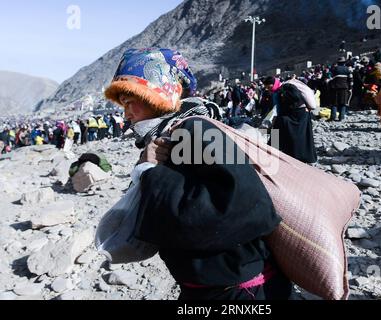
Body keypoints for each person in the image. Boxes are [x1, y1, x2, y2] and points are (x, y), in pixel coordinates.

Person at [104, 48, 294, 301]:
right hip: (204, 289)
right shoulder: (167, 138)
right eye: (123, 104)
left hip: (243, 292)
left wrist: (150, 173)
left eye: (131, 102)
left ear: (156, 95)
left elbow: (242, 205)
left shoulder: (196, 129)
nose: (125, 113)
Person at [271, 80, 318, 163]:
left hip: (289, 156)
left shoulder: (283, 118)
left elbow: (274, 140)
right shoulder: (305, 113)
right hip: (302, 113)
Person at [329, 57, 353, 121]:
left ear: (338, 62)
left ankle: (333, 117)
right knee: (343, 103)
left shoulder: (334, 69)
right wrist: (350, 88)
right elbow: (351, 80)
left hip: (335, 88)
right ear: (344, 63)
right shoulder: (348, 70)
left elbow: (330, 79)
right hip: (344, 88)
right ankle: (341, 117)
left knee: (334, 103)